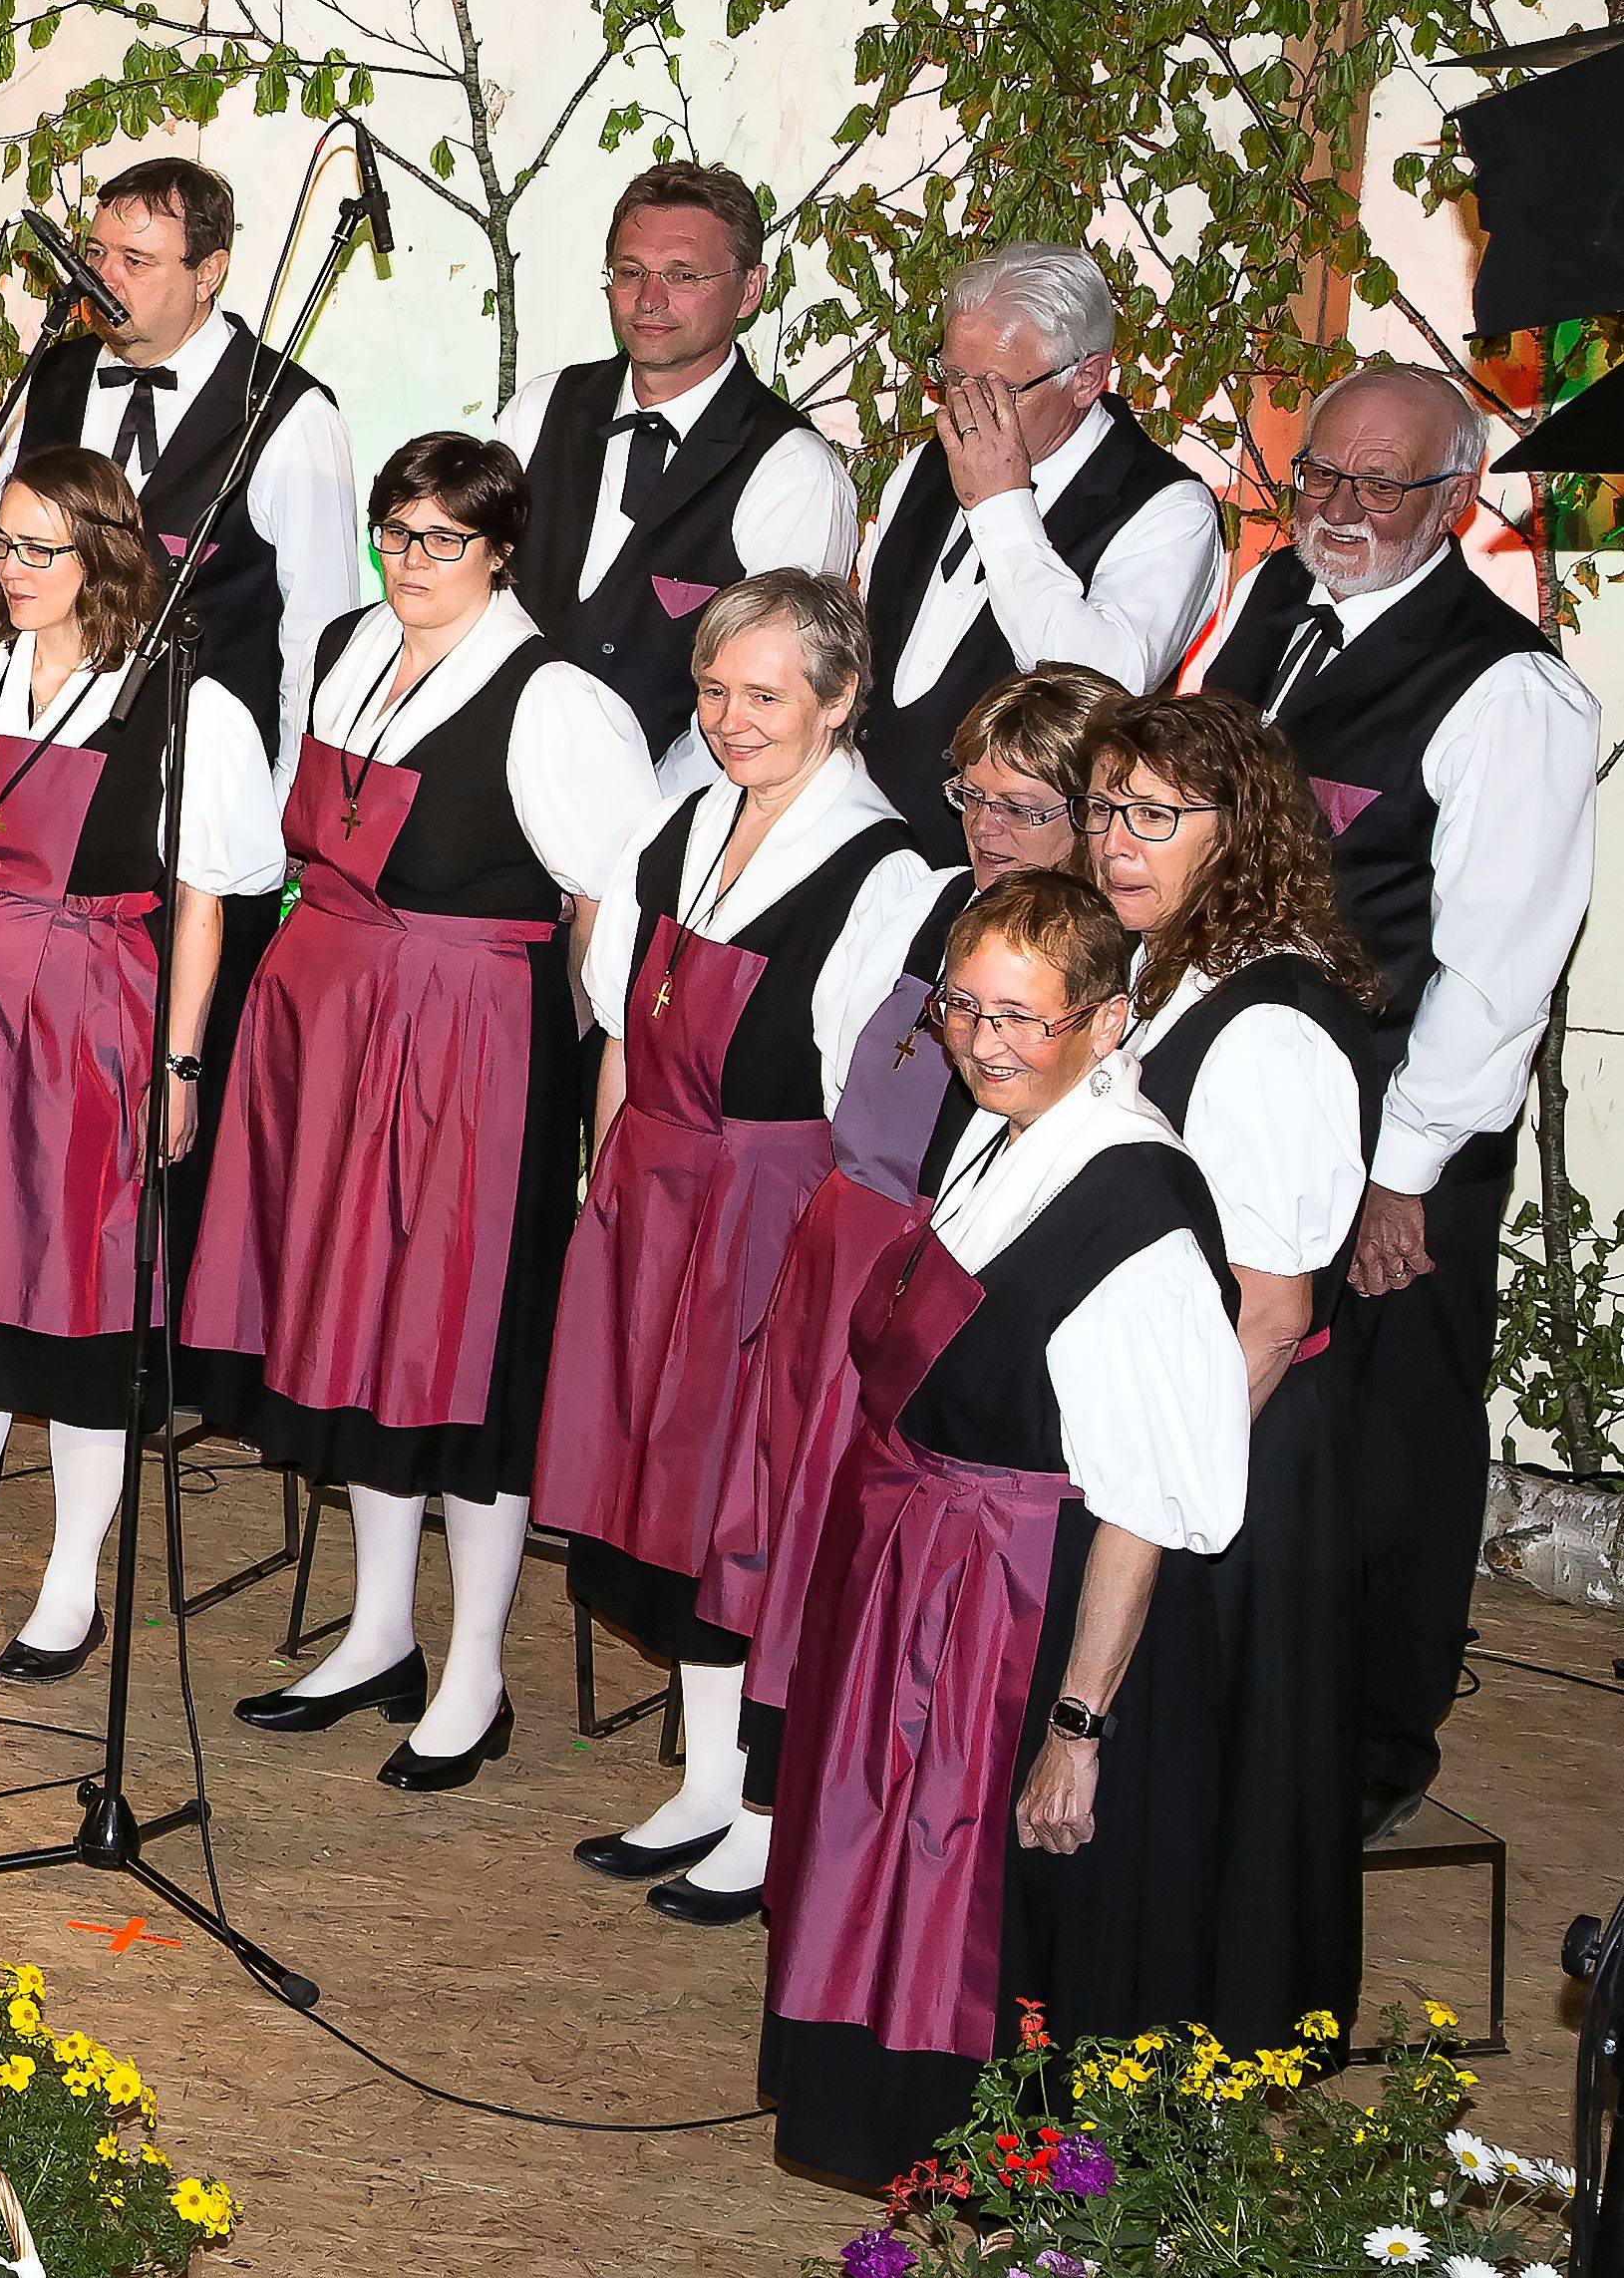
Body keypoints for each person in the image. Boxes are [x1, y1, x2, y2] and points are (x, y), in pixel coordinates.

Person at [760, 872, 1248, 2189]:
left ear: (1105, 1017)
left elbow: (1147, 1502)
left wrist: (1074, 1730)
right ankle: (893, 2121)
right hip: (930, 1568)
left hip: (1021, 1607)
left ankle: (1009, 2172)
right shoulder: (1000, 1129)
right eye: (962, 1007)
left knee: (992, 1899)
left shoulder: (1133, 1217)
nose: (983, 1043)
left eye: (1023, 1018)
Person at [178, 434, 653, 1786]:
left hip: (465, 1048)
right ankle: (378, 1631)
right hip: (334, 1031)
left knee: (462, 1350)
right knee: (362, 1331)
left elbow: (611, 902)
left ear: (499, 549)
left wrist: (565, 1055)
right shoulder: (345, 646)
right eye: (393, 531)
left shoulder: (554, 699)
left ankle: (472, 1670)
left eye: (443, 538)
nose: (410, 560)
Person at [1189, 358, 1600, 1830]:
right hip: (1247, 1090)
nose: (1340, 505)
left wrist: (1401, 1169)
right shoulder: (1269, 604)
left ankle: (1368, 1749)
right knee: (1262, 1409)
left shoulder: (1509, 689)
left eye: (1380, 481)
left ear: (1456, 496)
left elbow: (1496, 969)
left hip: (1393, 1122)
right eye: (1320, 474)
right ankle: (1238, 1701)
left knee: (1387, 1433)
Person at [657, 664, 1115, 1927]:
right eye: (971, 795)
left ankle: (786, 1820)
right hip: (843, 1238)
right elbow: (837, 1053)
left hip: (929, 1264)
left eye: (1022, 808)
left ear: (1084, 818)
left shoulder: (1078, 967)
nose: (986, 828)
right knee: (769, 1516)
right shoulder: (926, 899)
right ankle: (723, 1787)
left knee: (839, 1541)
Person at [0, 448, 283, 1681]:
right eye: (2, 543)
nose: (14, 568)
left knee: (79, 1295)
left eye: (42, 548)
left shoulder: (177, 700)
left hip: (86, 1022)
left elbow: (203, 901)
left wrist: (177, 1064)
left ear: (105, 554)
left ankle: (73, 1583)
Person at [540, 571, 941, 1839]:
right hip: (652, 1197)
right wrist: (603, 1186)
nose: (728, 720)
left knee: (745, 1499)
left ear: (838, 698)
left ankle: (759, 1814)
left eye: (763, 695)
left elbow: (860, 1113)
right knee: (667, 1490)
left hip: (772, 1215)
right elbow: (621, 1026)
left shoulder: (884, 873)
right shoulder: (675, 826)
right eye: (712, 691)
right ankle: (705, 1783)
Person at [1086, 692, 1381, 2044]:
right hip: (1169, 1417)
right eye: (1103, 807)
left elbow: (1267, 1308)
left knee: (1221, 1745)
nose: (1114, 839)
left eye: (1154, 814)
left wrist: (1161, 1485)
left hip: (1237, 1442)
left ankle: (1212, 2032)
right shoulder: (1162, 967)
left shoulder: (1266, 1025)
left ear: (1240, 827)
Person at [489, 163, 860, 790]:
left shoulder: (792, 470)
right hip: (492, 777)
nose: (650, 298)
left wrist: (648, 827)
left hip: (662, 810)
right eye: (631, 272)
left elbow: (773, 704)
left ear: (749, 290)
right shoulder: (541, 408)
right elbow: (471, 591)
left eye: (683, 276)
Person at [854, 243, 1220, 869]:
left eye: (997, 389)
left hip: (1022, 880)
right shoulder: (922, 469)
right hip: (870, 848)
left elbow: (1103, 688)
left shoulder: (1167, 508)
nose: (965, 408)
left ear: (1086, 378)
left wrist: (1002, 508)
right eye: (952, 379)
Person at [0, 158, 357, 761]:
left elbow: (319, 634)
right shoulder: (49, 379)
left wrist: (287, 791)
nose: (104, 277)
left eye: (136, 261)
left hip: (207, 769)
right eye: (96, 252)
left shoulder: (289, 412)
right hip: (45, 755)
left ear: (208, 273)